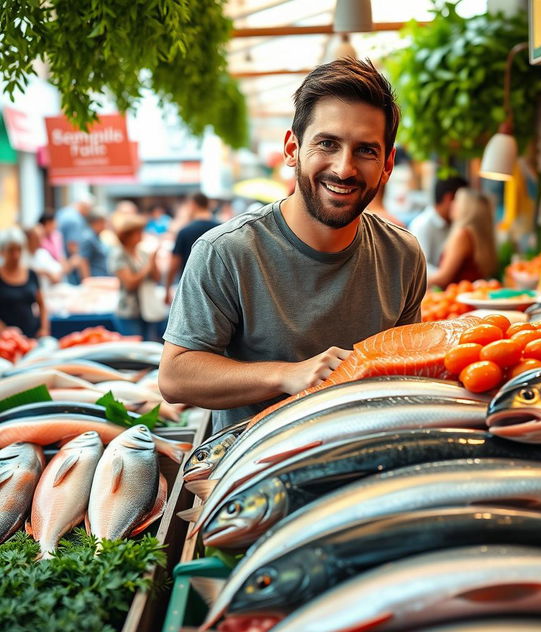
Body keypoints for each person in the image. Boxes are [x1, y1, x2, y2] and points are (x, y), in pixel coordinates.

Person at [159, 58, 427, 429]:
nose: (344, 168)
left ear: (388, 164)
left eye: (366, 150)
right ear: (292, 149)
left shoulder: (402, 255)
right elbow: (175, 377)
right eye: (327, 143)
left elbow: (408, 371)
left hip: (369, 465)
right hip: (256, 472)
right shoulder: (227, 251)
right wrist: (288, 375)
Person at [428, 188, 498, 289]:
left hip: (457, 297)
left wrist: (415, 281)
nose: (452, 204)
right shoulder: (479, 235)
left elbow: (443, 277)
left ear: (466, 209)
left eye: (456, 201)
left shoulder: (462, 235)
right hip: (472, 294)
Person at [109, 213, 162, 340]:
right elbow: (130, 284)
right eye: (137, 232)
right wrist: (148, 266)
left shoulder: (142, 253)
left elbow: (156, 278)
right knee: (135, 345)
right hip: (129, 311)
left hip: (146, 309)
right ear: (127, 235)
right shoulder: (119, 255)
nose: (141, 235)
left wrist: (153, 262)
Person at [164, 192, 219, 304]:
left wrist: (167, 289)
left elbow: (174, 264)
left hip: (192, 290)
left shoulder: (185, 232)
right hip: (218, 289)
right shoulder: (221, 228)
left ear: (193, 205)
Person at [409, 176, 468, 270]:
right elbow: (419, 266)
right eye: (464, 202)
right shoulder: (422, 225)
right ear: (449, 199)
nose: (466, 208)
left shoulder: (456, 224)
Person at [0, 227, 49, 337]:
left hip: (31, 333)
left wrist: (44, 328)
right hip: (6, 339)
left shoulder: (31, 274)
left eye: (19, 250)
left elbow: (41, 304)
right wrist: (4, 331)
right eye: (11, 250)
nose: (15, 255)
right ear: (2, 252)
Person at [78, 209, 110, 279]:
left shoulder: (97, 236)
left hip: (103, 277)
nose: (105, 225)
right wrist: (87, 281)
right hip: (96, 279)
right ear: (96, 222)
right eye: (103, 222)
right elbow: (83, 261)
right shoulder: (88, 238)